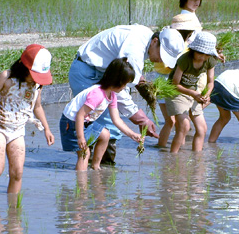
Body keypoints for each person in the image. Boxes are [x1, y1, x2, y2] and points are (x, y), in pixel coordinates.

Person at [69, 24, 184, 164]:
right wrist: (141, 119)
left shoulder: (145, 37)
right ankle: (99, 171)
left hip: (100, 71)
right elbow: (119, 89)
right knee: (104, 124)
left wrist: (141, 84)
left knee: (106, 125)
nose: (161, 60)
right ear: (155, 41)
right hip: (87, 72)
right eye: (162, 54)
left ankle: (96, 169)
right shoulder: (134, 49)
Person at [0, 44, 55, 194]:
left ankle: (13, 214)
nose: (36, 80)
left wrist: (47, 129)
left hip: (17, 131)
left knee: (17, 174)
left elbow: (37, 107)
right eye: (34, 75)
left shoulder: (37, 86)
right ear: (24, 67)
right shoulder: (7, 77)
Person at [60, 58, 142, 171]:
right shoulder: (97, 94)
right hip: (71, 122)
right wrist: (81, 137)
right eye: (125, 84)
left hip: (86, 122)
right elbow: (80, 115)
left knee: (105, 135)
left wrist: (132, 134)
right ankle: (81, 185)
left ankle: (96, 167)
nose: (125, 87)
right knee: (85, 153)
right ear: (117, 81)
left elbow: (116, 120)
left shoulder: (112, 95)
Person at [165, 31, 219, 153]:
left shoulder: (210, 60)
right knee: (184, 126)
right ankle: (173, 159)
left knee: (202, 128)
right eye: (200, 53)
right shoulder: (184, 60)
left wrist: (207, 93)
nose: (202, 57)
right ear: (194, 50)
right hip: (177, 93)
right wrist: (193, 94)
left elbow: (211, 82)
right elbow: (175, 84)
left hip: (194, 92)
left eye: (206, 55)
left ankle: (197, 160)